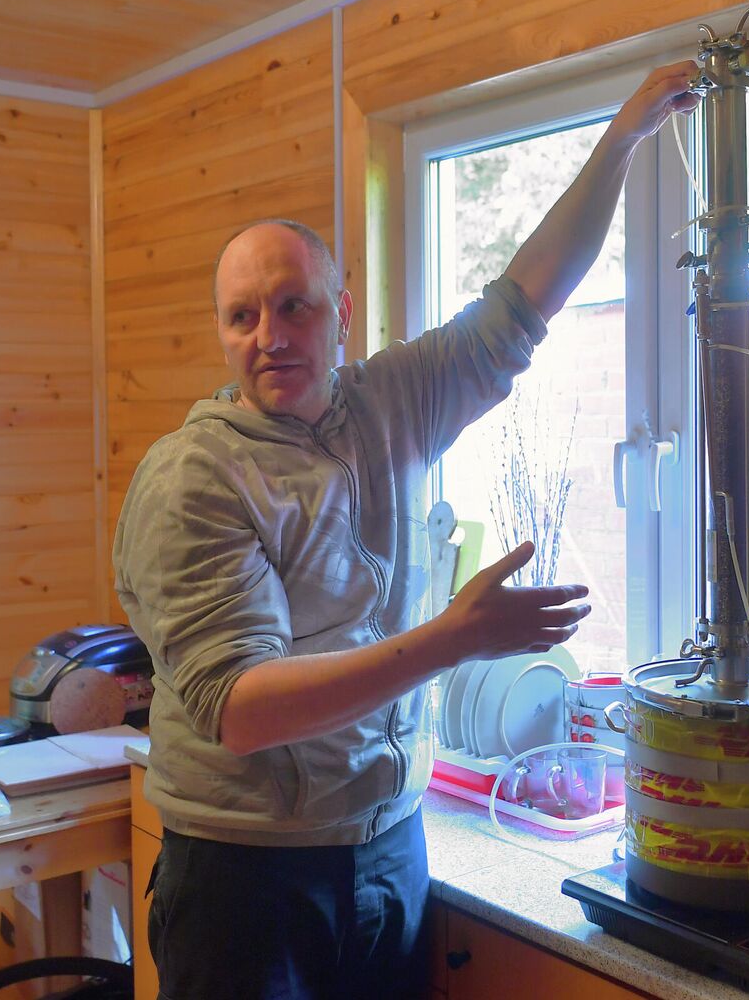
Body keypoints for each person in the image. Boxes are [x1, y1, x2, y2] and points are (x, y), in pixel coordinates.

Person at [113, 62, 699, 1000]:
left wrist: (623, 139)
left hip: (389, 848)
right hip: (244, 875)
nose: (269, 334)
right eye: (242, 316)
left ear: (340, 313)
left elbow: (524, 301)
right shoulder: (194, 475)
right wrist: (454, 639)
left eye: (293, 304)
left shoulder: (393, 403)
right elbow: (242, 709)